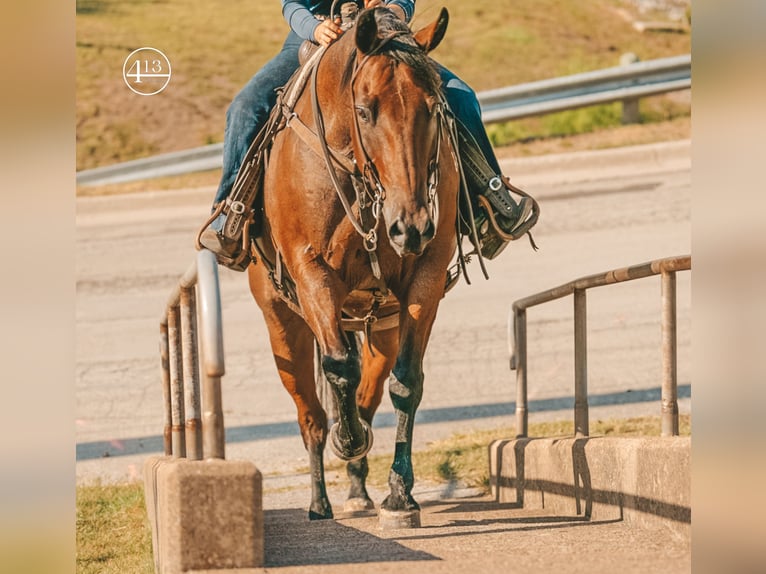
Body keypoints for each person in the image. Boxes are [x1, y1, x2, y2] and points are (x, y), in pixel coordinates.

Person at [199, 0, 537, 267]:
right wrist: (314, 29)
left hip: (384, 35)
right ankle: (231, 212)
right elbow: (291, 3)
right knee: (244, 107)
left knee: (460, 95)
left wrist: (391, 10)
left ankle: (490, 204)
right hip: (314, 35)